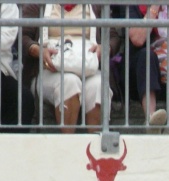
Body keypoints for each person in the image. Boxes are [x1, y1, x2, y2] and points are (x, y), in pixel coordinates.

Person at [22, 4, 117, 133]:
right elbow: (23, 37)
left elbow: (113, 37)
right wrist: (38, 50)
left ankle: (95, 146)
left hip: (88, 68)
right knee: (69, 82)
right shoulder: (38, 4)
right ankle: (68, 144)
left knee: (99, 85)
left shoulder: (96, 4)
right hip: (48, 70)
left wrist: (104, 47)